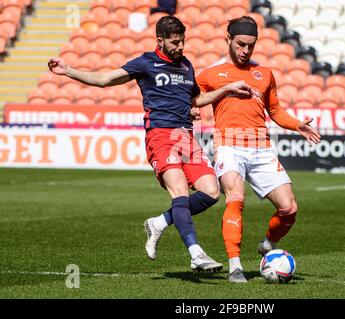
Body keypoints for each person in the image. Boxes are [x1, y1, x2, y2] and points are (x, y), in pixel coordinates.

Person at [47, 16, 250, 272]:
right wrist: (68, 71)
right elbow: (104, 79)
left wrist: (226, 89)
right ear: (160, 41)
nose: (180, 47)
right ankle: (196, 253)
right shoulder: (145, 63)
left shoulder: (186, 65)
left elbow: (197, 100)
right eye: (175, 42)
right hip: (160, 135)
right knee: (180, 193)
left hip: (186, 136)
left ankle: (160, 222)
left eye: (183, 42)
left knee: (211, 192)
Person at [195, 16, 322, 282]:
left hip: (261, 147)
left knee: (289, 209)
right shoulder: (210, 74)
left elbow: (274, 110)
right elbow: (193, 99)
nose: (245, 50)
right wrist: (195, 107)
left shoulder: (263, 73)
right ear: (228, 39)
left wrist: (297, 125)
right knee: (235, 198)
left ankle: (267, 245)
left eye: (251, 46)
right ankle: (235, 266)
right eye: (240, 44)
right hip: (228, 144)